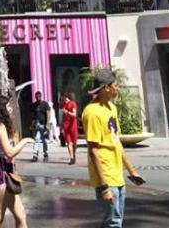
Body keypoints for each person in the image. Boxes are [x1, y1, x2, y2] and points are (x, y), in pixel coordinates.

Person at [82, 68, 144, 228]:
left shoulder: (111, 108)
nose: (119, 88)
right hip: (106, 177)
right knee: (113, 222)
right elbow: (93, 150)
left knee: (115, 221)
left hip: (117, 175)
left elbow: (116, 142)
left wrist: (132, 171)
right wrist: (104, 187)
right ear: (106, 88)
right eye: (116, 85)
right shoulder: (92, 112)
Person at [0, 94, 34, 228]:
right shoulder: (0, 127)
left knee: (20, 215)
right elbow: (9, 153)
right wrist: (24, 141)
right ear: (1, 109)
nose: (11, 108)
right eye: (8, 106)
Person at [30, 91, 50, 163]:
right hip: (37, 125)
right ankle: (35, 155)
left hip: (43, 125)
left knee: (44, 140)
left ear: (41, 96)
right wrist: (32, 124)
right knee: (36, 139)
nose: (38, 98)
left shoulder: (45, 104)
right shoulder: (34, 105)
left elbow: (48, 114)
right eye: (36, 97)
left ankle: (46, 154)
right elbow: (33, 115)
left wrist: (47, 124)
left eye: (39, 96)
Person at [61, 92, 79, 165]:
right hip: (66, 127)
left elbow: (74, 114)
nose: (63, 99)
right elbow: (63, 116)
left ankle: (73, 155)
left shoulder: (73, 103)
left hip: (73, 126)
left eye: (63, 98)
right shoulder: (63, 105)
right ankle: (71, 157)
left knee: (74, 143)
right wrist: (62, 126)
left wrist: (67, 112)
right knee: (69, 143)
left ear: (67, 97)